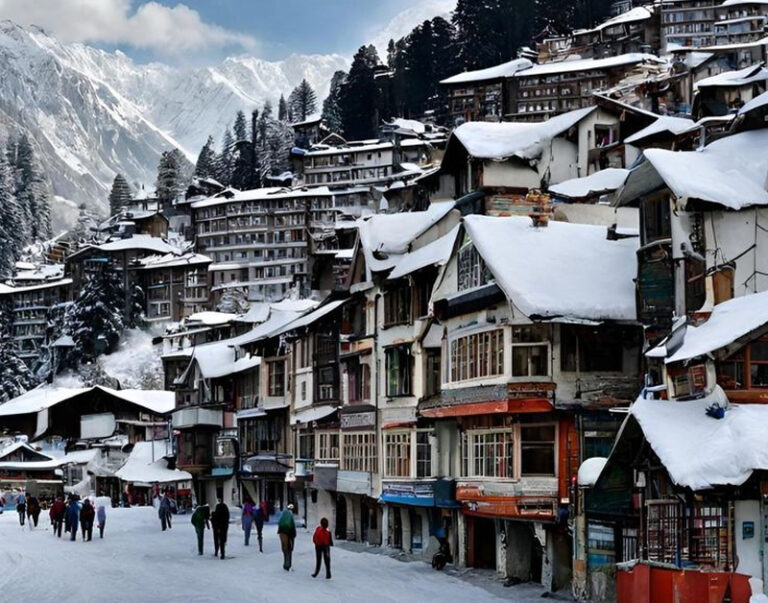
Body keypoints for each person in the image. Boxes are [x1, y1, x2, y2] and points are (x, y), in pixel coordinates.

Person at [277, 504, 297, 571]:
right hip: (289, 533)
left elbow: (279, 523)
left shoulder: (283, 514)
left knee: (284, 548)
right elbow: (293, 526)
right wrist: (294, 535)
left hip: (282, 533)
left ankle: (285, 563)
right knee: (289, 549)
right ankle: (288, 564)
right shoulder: (291, 515)